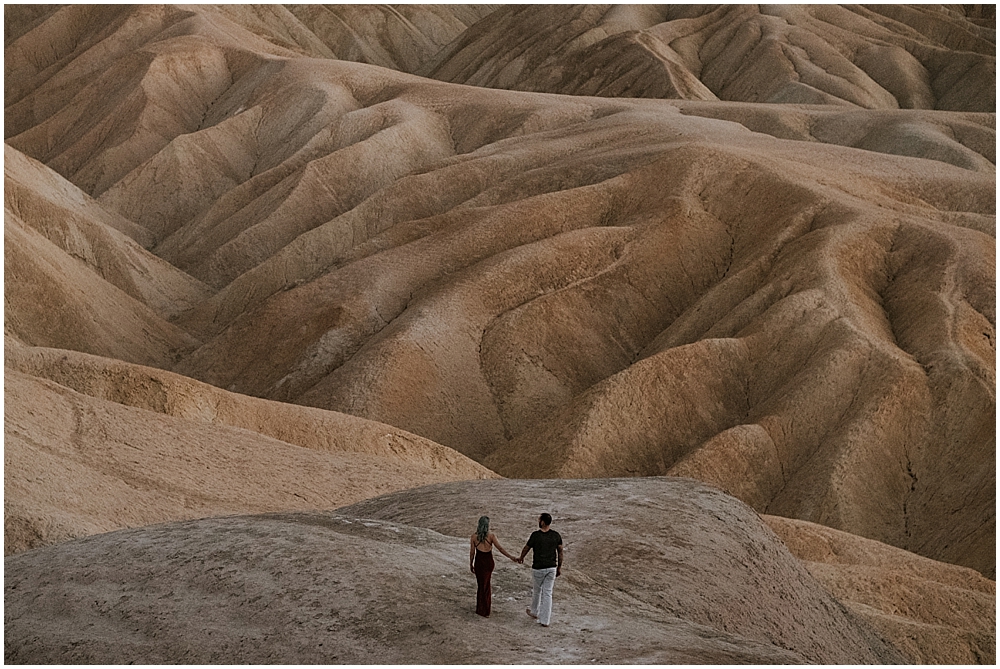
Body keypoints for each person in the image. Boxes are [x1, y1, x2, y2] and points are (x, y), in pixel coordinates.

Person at [517, 512, 563, 627]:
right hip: (551, 567)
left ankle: (534, 611)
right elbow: (560, 552)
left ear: (542, 522)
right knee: (547, 593)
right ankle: (545, 620)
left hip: (538, 567)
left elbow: (526, 548)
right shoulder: (556, 535)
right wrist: (559, 566)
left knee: (537, 590)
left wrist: (521, 557)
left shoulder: (535, 535)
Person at [470, 516, 517, 617]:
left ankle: (480, 608)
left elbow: (472, 552)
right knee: (486, 585)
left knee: (480, 585)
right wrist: (511, 557)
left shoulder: (474, 537)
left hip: (479, 562)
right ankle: (486, 610)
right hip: (488, 563)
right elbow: (500, 548)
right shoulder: (491, 536)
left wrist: (471, 563)